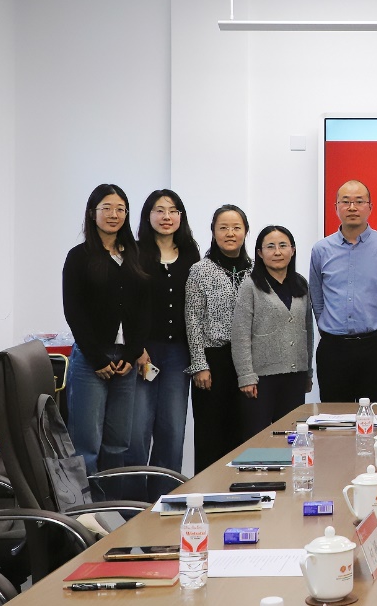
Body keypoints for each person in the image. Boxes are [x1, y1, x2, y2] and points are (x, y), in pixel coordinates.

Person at [61, 184, 147, 475]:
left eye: (120, 209)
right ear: (92, 213)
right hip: (90, 360)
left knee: (118, 444)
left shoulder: (135, 255)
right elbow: (73, 312)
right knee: (87, 446)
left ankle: (114, 504)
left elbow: (145, 309)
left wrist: (133, 352)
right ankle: (87, 505)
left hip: (126, 361)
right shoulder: (79, 257)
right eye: (106, 208)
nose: (114, 214)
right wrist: (97, 358)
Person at [129, 189, 200, 480]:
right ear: (148, 216)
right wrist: (136, 347)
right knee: (137, 430)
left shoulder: (191, 254)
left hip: (178, 353)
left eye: (172, 211)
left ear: (181, 216)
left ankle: (165, 497)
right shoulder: (133, 253)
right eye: (159, 210)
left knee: (172, 430)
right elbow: (127, 306)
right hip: (142, 353)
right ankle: (133, 502)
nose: (166, 216)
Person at [309, 180, 377, 403]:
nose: (352, 208)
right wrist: (329, 328)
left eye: (359, 202)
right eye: (346, 202)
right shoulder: (321, 250)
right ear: (336, 207)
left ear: (370, 207)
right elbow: (317, 297)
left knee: (376, 415)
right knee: (334, 416)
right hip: (334, 349)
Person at [185, 204, 252, 470]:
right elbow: (192, 320)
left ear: (245, 231)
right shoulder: (200, 270)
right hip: (213, 361)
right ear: (213, 231)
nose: (230, 233)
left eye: (236, 227)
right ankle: (209, 490)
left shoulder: (255, 271)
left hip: (246, 362)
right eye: (223, 228)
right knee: (211, 435)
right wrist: (199, 365)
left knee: (244, 432)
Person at [232, 225, 314, 436]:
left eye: (283, 246)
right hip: (261, 379)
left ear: (292, 250)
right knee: (258, 438)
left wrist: (308, 372)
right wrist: (246, 376)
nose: (277, 252)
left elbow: (307, 330)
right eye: (270, 247)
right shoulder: (250, 286)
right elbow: (240, 334)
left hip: (295, 375)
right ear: (260, 253)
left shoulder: (301, 283)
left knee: (291, 437)